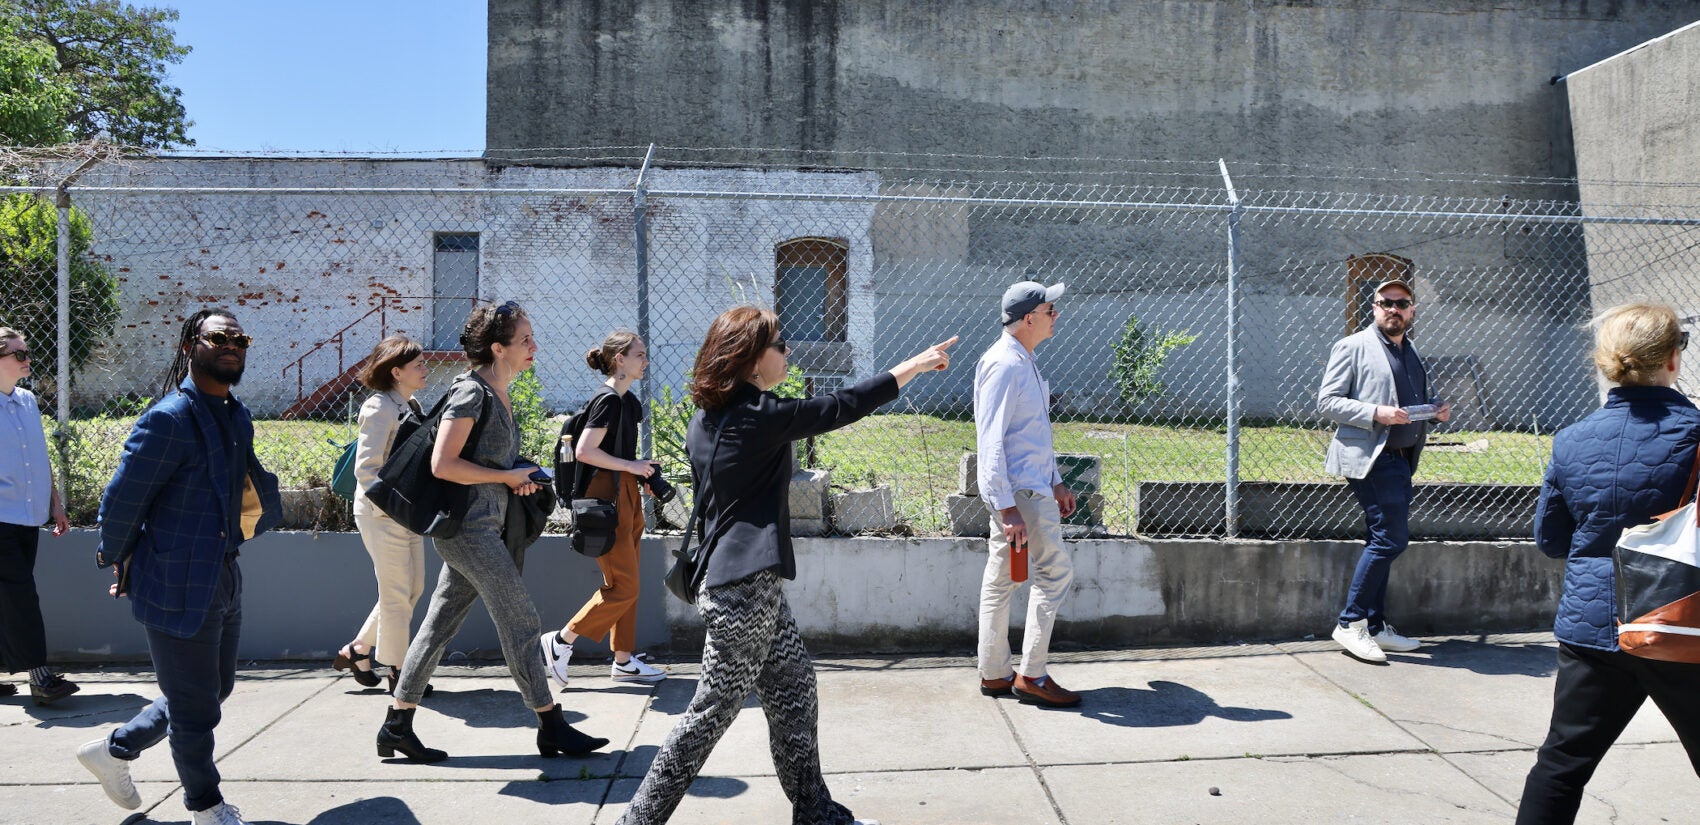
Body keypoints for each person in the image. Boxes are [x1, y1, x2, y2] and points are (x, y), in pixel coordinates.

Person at [617, 306, 955, 825]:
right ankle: (636, 821)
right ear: (752, 360)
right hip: (743, 592)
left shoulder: (705, 420)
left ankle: (816, 813)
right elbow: (841, 405)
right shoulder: (759, 417)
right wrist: (911, 366)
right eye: (780, 344)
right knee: (710, 715)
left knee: (795, 687)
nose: (788, 350)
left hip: (743, 584)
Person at [376, 301, 607, 763]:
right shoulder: (471, 393)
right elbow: (444, 465)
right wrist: (504, 477)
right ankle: (550, 724)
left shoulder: (496, 393)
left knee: (439, 625)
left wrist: (516, 474)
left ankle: (396, 725)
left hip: (484, 527)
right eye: (525, 340)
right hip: (468, 533)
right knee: (520, 621)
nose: (533, 347)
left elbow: (483, 463)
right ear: (498, 349)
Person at [76, 309, 283, 825]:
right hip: (174, 578)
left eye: (240, 337)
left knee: (212, 690)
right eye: (219, 337)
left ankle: (115, 749)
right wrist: (117, 560)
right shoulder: (169, 418)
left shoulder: (236, 414)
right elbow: (123, 502)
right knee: (195, 708)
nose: (232, 344)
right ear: (192, 344)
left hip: (222, 573)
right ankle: (205, 807)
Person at [1515, 303, 1700, 824]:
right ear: (1671, 358)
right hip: (1682, 624)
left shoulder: (1572, 440)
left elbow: (1552, 539)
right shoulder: (1695, 433)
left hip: (1593, 629)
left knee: (1562, 764)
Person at [1317, 277, 1450, 663]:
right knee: (1390, 540)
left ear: (1412, 310)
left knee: (1383, 539)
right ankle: (1351, 623)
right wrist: (1376, 413)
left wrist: (1435, 412)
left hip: (1402, 459)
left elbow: (1410, 404)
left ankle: (1375, 626)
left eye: (1402, 303)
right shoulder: (1353, 346)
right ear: (1373, 308)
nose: (1394, 309)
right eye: (1385, 302)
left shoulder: (1411, 350)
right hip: (1372, 458)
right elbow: (1327, 402)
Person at [974, 280, 1083, 709]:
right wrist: (1005, 507)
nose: (1056, 316)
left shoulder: (1022, 360)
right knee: (1055, 574)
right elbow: (991, 441)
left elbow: (1030, 435)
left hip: (1028, 490)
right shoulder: (1006, 364)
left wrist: (1055, 480)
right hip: (1020, 496)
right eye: (1050, 310)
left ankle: (995, 672)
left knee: (1001, 579)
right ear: (1029, 318)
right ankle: (1032, 673)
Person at [541, 331, 668, 687]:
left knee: (628, 583)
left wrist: (640, 470)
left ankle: (624, 661)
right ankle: (561, 641)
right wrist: (630, 467)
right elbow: (585, 450)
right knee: (624, 586)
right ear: (619, 360)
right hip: (605, 498)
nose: (645, 360)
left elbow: (617, 454)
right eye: (639, 355)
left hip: (625, 493)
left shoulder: (628, 402)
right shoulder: (608, 400)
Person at [332, 335, 433, 695]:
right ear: (396, 371)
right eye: (418, 364)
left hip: (407, 511)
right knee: (396, 593)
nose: (425, 368)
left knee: (412, 588)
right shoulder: (379, 408)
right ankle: (398, 670)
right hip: (381, 513)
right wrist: (394, 505)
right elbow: (367, 469)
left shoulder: (411, 404)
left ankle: (358, 651)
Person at [0, 327, 76, 705]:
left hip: (27, 515)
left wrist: (55, 504)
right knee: (20, 595)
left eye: (26, 351)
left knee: (9, 594)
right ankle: (40, 676)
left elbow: (39, 459)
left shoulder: (27, 401)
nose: (27, 358)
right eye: (18, 353)